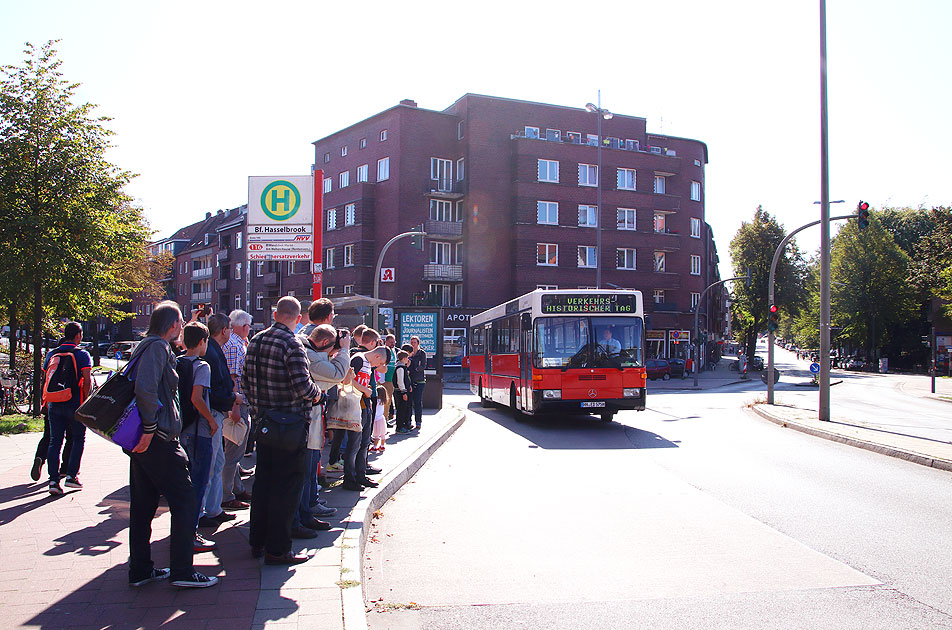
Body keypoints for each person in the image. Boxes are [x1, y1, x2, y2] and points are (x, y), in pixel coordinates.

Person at [127, 300, 219, 588]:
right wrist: (151, 428)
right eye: (180, 321)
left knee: (143, 506)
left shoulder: (148, 345)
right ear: (172, 325)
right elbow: (146, 388)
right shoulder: (156, 347)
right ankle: (182, 571)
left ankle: (140, 570)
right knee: (186, 500)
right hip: (159, 438)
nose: (182, 327)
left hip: (146, 439)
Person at [242, 296, 321, 566]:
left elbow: (245, 381)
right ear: (298, 319)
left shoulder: (256, 340)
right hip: (290, 424)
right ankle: (278, 549)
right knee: (286, 487)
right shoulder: (292, 343)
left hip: (264, 423)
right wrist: (317, 394)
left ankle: (257, 540)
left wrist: (257, 410)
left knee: (263, 482)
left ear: (276, 313)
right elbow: (302, 386)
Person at [289, 323, 350, 537]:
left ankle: (306, 512)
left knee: (309, 469)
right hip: (305, 421)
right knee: (304, 472)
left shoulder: (312, 353)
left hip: (310, 422)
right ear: (324, 343)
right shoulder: (311, 356)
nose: (334, 351)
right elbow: (338, 374)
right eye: (332, 347)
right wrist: (344, 350)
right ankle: (301, 517)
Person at [176, 322, 218, 553]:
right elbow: (197, 398)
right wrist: (211, 420)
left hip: (181, 429)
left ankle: (181, 530)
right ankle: (190, 533)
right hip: (199, 430)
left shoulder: (177, 361)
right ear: (202, 342)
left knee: (184, 483)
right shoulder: (202, 366)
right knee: (199, 482)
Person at [196, 314, 238, 527]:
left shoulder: (213, 349)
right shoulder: (211, 352)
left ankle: (214, 508)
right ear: (224, 330)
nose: (230, 332)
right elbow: (214, 387)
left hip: (217, 412)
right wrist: (232, 399)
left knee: (218, 461)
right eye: (230, 329)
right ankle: (202, 512)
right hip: (212, 413)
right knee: (210, 464)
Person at [43, 322, 91, 494]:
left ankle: (53, 481)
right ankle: (71, 476)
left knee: (55, 441)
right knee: (78, 438)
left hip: (54, 403)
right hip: (75, 403)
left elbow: (47, 377)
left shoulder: (51, 354)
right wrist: (85, 399)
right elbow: (86, 380)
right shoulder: (82, 355)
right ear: (78, 335)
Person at [342, 344, 391, 491]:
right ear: (377, 356)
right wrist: (365, 390)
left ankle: (360, 475)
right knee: (354, 444)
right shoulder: (358, 360)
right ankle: (350, 478)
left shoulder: (367, 363)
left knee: (364, 443)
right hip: (356, 405)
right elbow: (347, 379)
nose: (379, 367)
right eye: (381, 363)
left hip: (364, 404)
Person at [221, 310, 253, 510]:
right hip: (238, 404)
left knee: (234, 449)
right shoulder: (233, 345)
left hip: (239, 402)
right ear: (244, 326)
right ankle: (228, 494)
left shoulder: (237, 343)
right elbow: (232, 378)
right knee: (233, 450)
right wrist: (234, 407)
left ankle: (236, 487)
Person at [407, 336, 427, 430]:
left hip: (419, 380)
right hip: (410, 380)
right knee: (409, 401)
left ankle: (418, 421)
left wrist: (416, 369)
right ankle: (409, 421)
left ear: (418, 343)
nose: (413, 344)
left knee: (417, 401)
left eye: (414, 342)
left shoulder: (421, 353)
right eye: (412, 342)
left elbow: (423, 365)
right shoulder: (409, 354)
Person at [392, 350, 412, 434]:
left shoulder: (403, 367)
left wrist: (409, 386)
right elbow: (400, 381)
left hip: (402, 391)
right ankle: (399, 427)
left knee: (404, 409)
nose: (408, 359)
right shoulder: (400, 368)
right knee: (400, 409)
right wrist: (404, 392)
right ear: (403, 358)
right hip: (400, 392)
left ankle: (403, 425)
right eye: (407, 358)